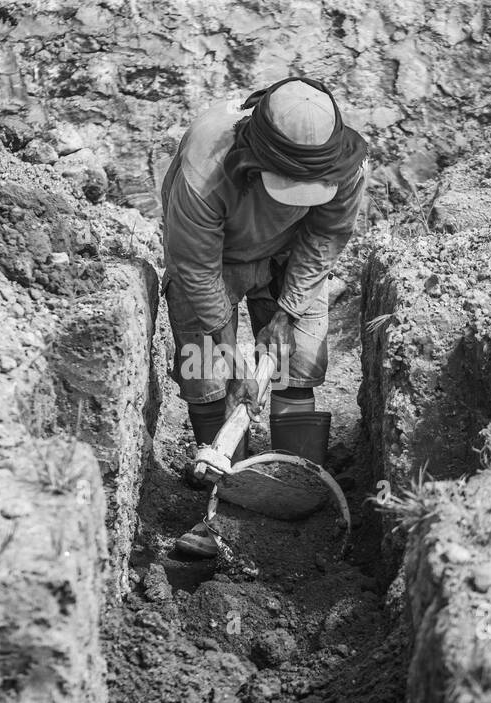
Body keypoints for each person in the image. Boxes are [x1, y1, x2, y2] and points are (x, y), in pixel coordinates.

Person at [158, 77, 368, 558]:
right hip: (214, 259)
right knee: (205, 371)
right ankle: (226, 495)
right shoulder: (204, 168)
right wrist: (230, 358)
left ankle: (297, 490)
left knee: (299, 364)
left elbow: (324, 237)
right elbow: (195, 265)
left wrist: (288, 309)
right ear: (255, 160)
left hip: (289, 257)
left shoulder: (344, 166)